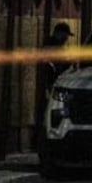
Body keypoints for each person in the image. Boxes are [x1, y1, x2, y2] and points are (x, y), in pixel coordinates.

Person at [35, 21, 74, 153]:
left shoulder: (52, 47)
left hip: (53, 86)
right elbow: (56, 67)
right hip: (52, 87)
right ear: (59, 34)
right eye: (65, 35)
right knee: (53, 113)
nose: (66, 39)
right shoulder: (53, 48)